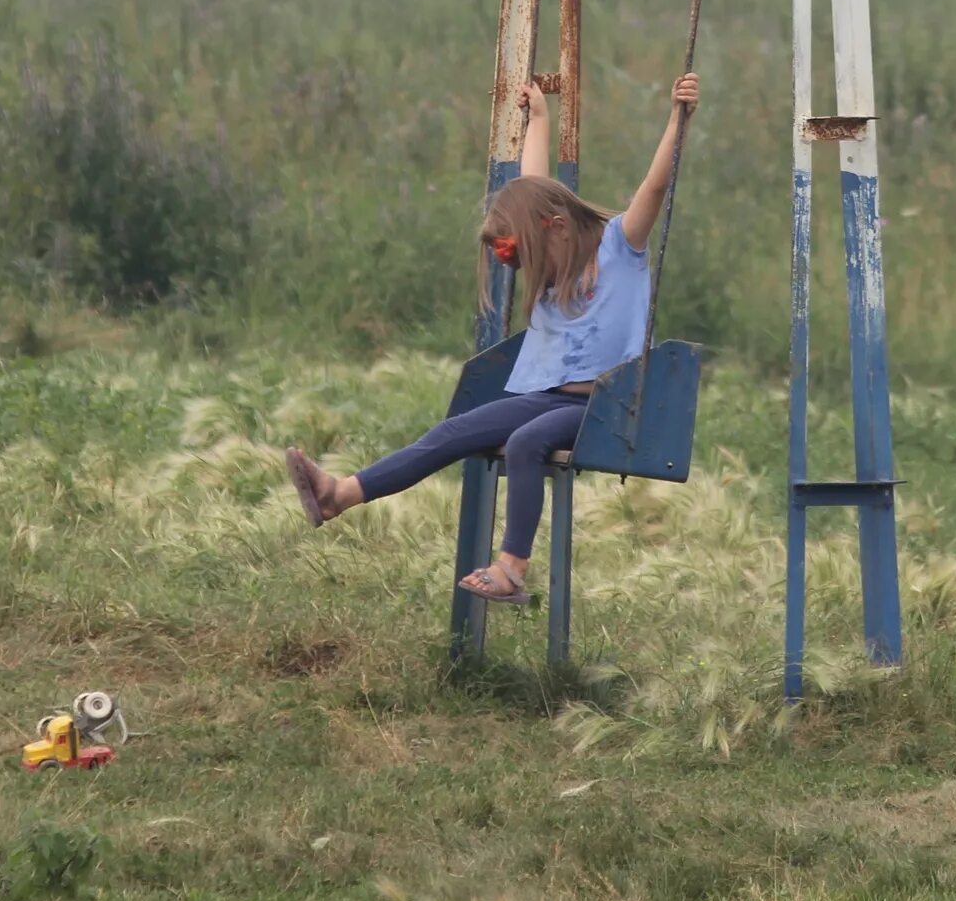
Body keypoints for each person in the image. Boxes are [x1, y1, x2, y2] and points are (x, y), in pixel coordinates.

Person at [286, 71, 702, 604]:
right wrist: (539, 119)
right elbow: (533, 186)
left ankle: (511, 569)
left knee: (527, 442)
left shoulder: (620, 247)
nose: (527, 267)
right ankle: (339, 494)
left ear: (557, 228)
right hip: (545, 397)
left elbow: (655, 186)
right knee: (454, 431)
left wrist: (677, 118)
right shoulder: (551, 265)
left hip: (604, 408)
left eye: (528, 251)